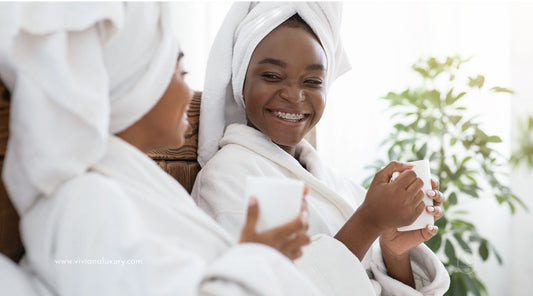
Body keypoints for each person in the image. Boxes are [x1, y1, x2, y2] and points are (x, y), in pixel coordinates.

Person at [0, 3, 321, 295]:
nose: (189, 91)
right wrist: (256, 259)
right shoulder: (84, 203)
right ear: (136, 87)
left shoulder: (132, 189)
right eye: (181, 72)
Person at [192, 2, 450, 295]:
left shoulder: (332, 181)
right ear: (240, 80)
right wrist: (368, 221)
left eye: (313, 81)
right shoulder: (228, 177)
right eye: (272, 76)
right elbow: (270, 288)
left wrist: (395, 252)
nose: (293, 95)